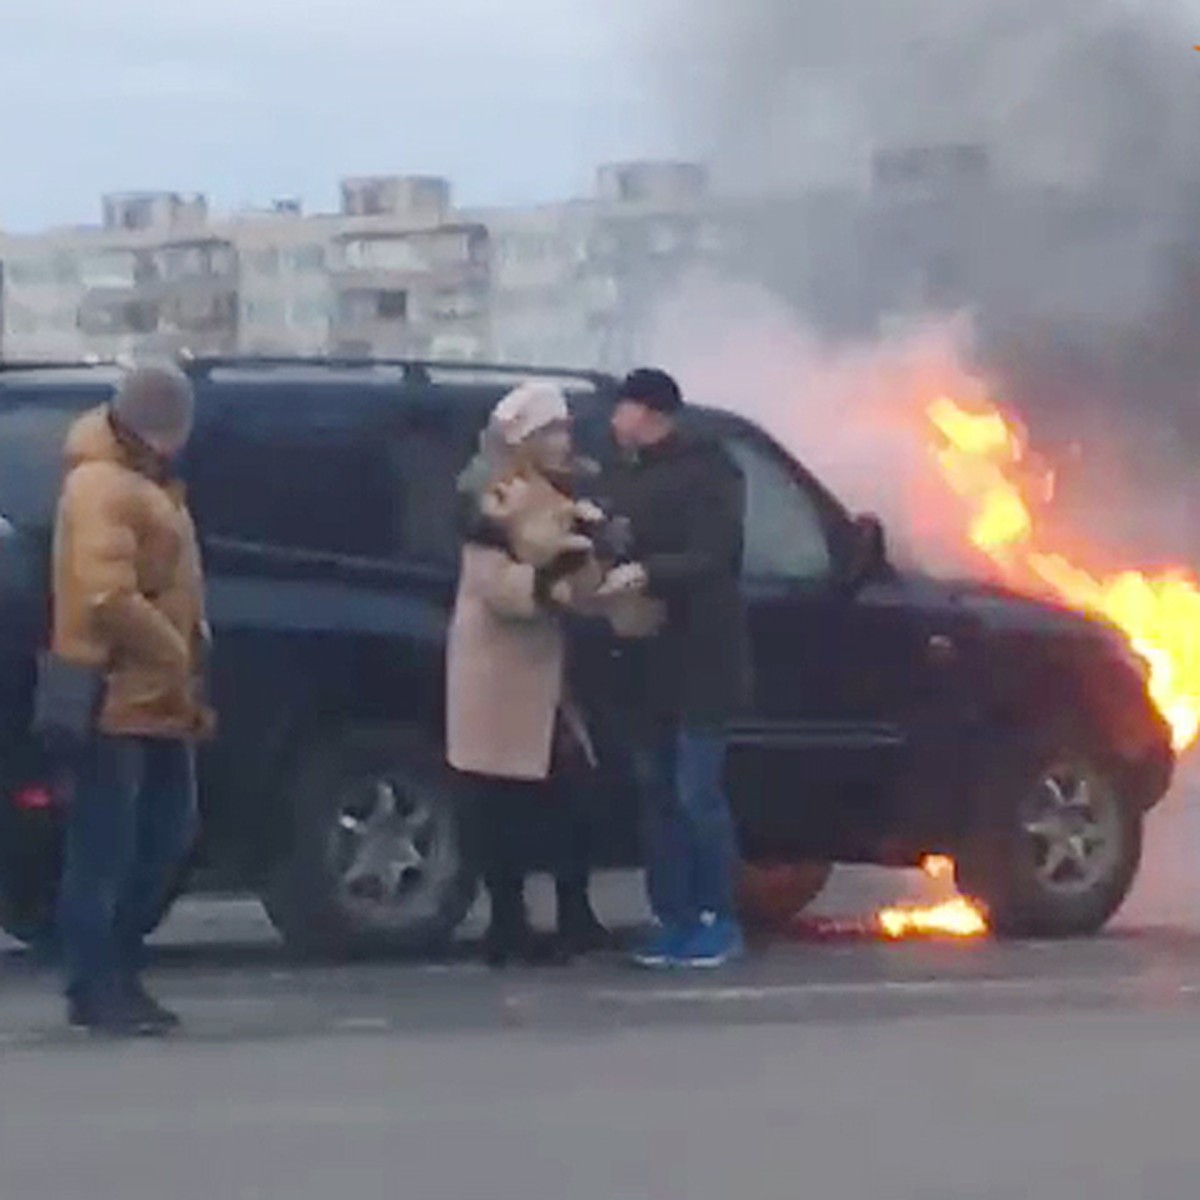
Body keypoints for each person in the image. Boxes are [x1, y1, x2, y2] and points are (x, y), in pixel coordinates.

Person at [52, 363, 215, 1034]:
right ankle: (97, 982)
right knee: (109, 849)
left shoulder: (141, 482)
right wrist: (173, 649)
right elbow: (104, 594)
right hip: (115, 692)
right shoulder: (102, 486)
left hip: (154, 696)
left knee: (162, 837)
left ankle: (114, 971)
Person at [447, 382, 610, 966]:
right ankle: (508, 924)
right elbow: (494, 583)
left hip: (548, 672)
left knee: (570, 798)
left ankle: (574, 913)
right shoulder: (496, 494)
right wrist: (549, 583)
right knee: (502, 805)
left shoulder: (562, 492)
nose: (563, 441)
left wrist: (591, 572)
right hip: (500, 671)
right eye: (551, 431)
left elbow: (578, 580)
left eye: (565, 429)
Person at [598, 367, 750, 968]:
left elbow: (713, 556)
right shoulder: (626, 473)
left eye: (623, 409)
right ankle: (674, 919)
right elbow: (621, 535)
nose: (614, 421)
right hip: (646, 662)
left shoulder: (708, 471)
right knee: (656, 794)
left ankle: (718, 919)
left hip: (703, 660)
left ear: (651, 413)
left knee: (696, 794)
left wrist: (647, 571)